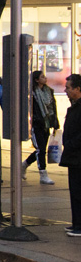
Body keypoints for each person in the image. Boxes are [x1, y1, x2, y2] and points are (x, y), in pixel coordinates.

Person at [24, 70, 60, 185]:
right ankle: (43, 174)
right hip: (36, 124)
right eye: (42, 77)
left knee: (41, 149)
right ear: (36, 80)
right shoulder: (32, 93)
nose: (45, 78)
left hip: (47, 124)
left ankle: (24, 165)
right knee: (41, 149)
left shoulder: (49, 91)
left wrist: (55, 123)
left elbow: (53, 108)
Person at [60, 74, 81, 237]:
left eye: (68, 87)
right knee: (74, 191)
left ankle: (79, 226)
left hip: (77, 155)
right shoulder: (74, 106)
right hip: (74, 156)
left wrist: (71, 144)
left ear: (77, 89)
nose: (65, 90)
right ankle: (76, 223)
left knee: (78, 191)